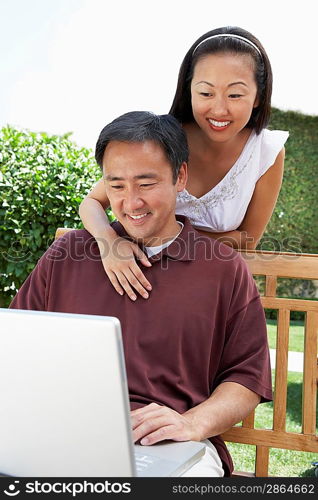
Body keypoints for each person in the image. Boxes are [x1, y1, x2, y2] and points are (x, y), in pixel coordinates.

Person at [10, 111, 272, 477]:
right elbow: (18, 347)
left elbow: (246, 378)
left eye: (145, 184)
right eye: (116, 186)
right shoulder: (67, 255)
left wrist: (192, 424)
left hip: (170, 442)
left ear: (180, 177)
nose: (131, 202)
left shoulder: (223, 269)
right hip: (65, 432)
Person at [79, 26, 289, 301]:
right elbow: (91, 203)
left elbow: (247, 239)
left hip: (210, 287)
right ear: (188, 89)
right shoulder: (163, 140)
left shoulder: (267, 152)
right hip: (139, 274)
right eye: (205, 93)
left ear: (259, 96)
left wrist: (167, 241)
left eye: (235, 95)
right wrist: (109, 241)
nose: (219, 109)